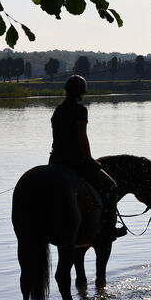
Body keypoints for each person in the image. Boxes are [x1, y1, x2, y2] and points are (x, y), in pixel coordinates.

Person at [49, 75, 126, 240]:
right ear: (81, 93)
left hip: (55, 160)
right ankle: (109, 229)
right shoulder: (80, 110)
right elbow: (82, 138)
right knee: (111, 187)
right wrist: (90, 160)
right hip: (75, 162)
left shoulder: (58, 110)